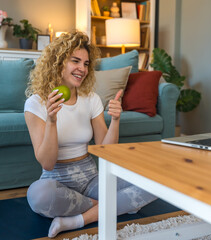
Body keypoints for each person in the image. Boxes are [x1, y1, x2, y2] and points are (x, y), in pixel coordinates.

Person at [24, 30, 157, 238]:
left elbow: (106, 150)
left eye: (86, 64)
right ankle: (113, 206)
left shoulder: (91, 98)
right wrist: (51, 121)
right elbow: (47, 164)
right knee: (38, 195)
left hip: (92, 179)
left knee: (153, 180)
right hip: (57, 183)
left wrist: (115, 120)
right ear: (58, 62)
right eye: (75, 61)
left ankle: (77, 220)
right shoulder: (35, 103)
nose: (82, 69)